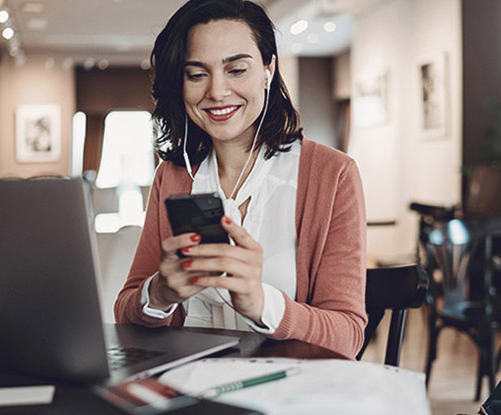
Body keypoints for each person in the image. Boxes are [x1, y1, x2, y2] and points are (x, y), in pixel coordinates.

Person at [114, 0, 367, 359]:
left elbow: (348, 338)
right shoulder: (171, 176)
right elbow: (125, 310)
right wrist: (159, 294)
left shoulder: (332, 174)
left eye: (236, 70)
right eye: (196, 74)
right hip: (190, 384)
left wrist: (261, 303)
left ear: (268, 69)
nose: (216, 91)